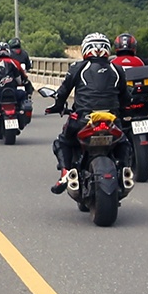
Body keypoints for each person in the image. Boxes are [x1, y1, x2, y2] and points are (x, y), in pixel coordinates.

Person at [45, 32, 132, 193]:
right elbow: (125, 98)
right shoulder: (117, 69)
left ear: (86, 49)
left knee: (62, 142)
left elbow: (62, 93)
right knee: (124, 142)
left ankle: (65, 174)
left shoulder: (78, 67)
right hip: (111, 119)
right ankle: (125, 171)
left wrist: (57, 106)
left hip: (84, 119)